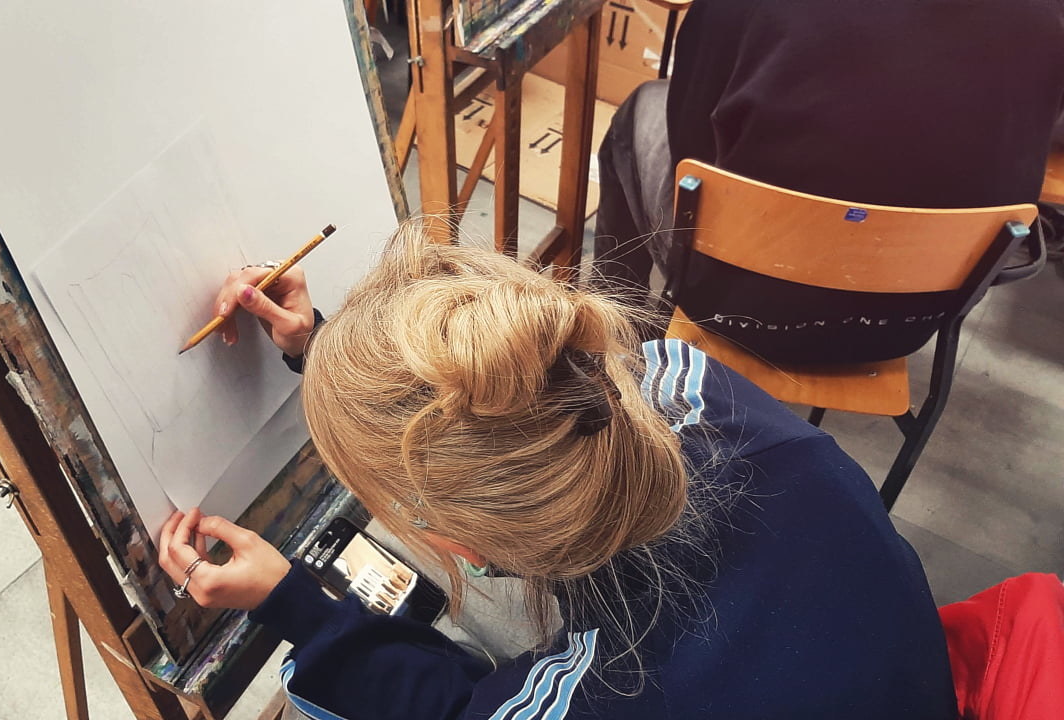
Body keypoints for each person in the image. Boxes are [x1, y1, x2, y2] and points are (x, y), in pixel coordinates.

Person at [157, 222, 958, 719]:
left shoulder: (607, 697)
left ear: (463, 547)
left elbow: (455, 710)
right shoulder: (690, 385)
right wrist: (324, 346)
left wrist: (295, 605)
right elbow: (526, 405)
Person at [593, 0, 1064, 309]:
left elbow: (690, 142)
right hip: (915, 313)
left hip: (737, 298)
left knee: (642, 108)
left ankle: (612, 339)